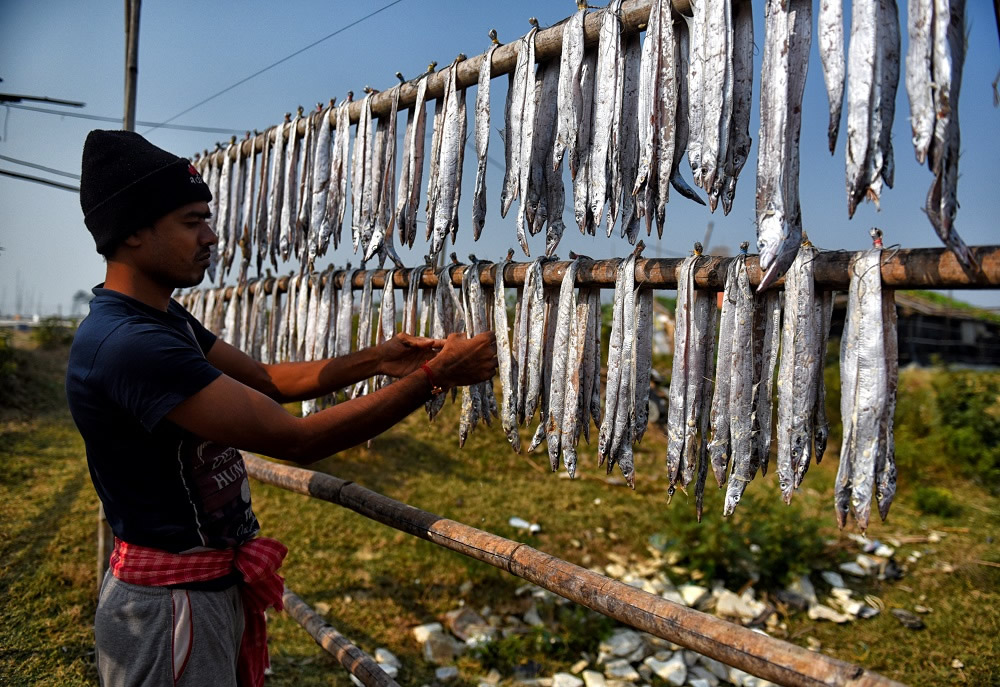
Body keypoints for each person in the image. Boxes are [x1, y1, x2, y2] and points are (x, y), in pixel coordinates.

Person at [66, 129, 497, 687]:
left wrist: (376, 360)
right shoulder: (130, 345)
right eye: (192, 221)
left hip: (201, 591)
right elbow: (298, 440)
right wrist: (437, 378)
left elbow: (268, 380)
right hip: (168, 607)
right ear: (132, 233)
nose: (211, 236)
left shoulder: (163, 321)